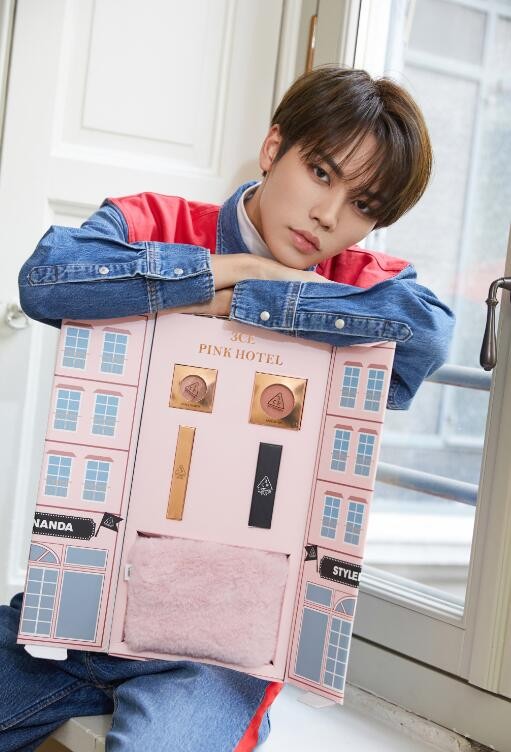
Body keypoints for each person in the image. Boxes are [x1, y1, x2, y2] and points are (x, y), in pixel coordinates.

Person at [2, 66, 454, 751]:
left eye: (362, 205)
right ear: (273, 149)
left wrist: (249, 302)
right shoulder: (153, 223)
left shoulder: (365, 282)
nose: (329, 216)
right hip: (70, 614)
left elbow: (427, 334)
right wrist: (237, 270)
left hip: (216, 656)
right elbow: (47, 278)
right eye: (321, 173)